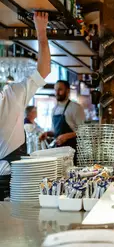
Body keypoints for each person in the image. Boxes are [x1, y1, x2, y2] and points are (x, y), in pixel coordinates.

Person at [0, 12, 50, 176]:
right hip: (12, 175)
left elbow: (43, 71)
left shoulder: (12, 94)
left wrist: (41, 32)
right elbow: (44, 71)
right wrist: (41, 32)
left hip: (12, 176)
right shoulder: (12, 94)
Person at [40, 80, 85, 163]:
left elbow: (83, 131)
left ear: (68, 91)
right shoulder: (54, 109)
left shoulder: (76, 108)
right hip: (58, 152)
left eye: (60, 90)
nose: (57, 92)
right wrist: (47, 133)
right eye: (55, 90)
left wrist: (67, 136)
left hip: (73, 152)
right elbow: (55, 131)